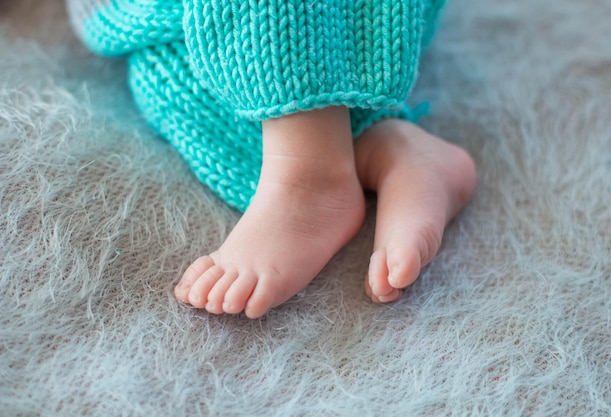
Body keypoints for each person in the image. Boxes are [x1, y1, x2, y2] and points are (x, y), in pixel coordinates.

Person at [66, 0, 476, 318]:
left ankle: (307, 170)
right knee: (162, 76)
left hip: (365, 17)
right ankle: (384, 144)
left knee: (260, 27)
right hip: (157, 16)